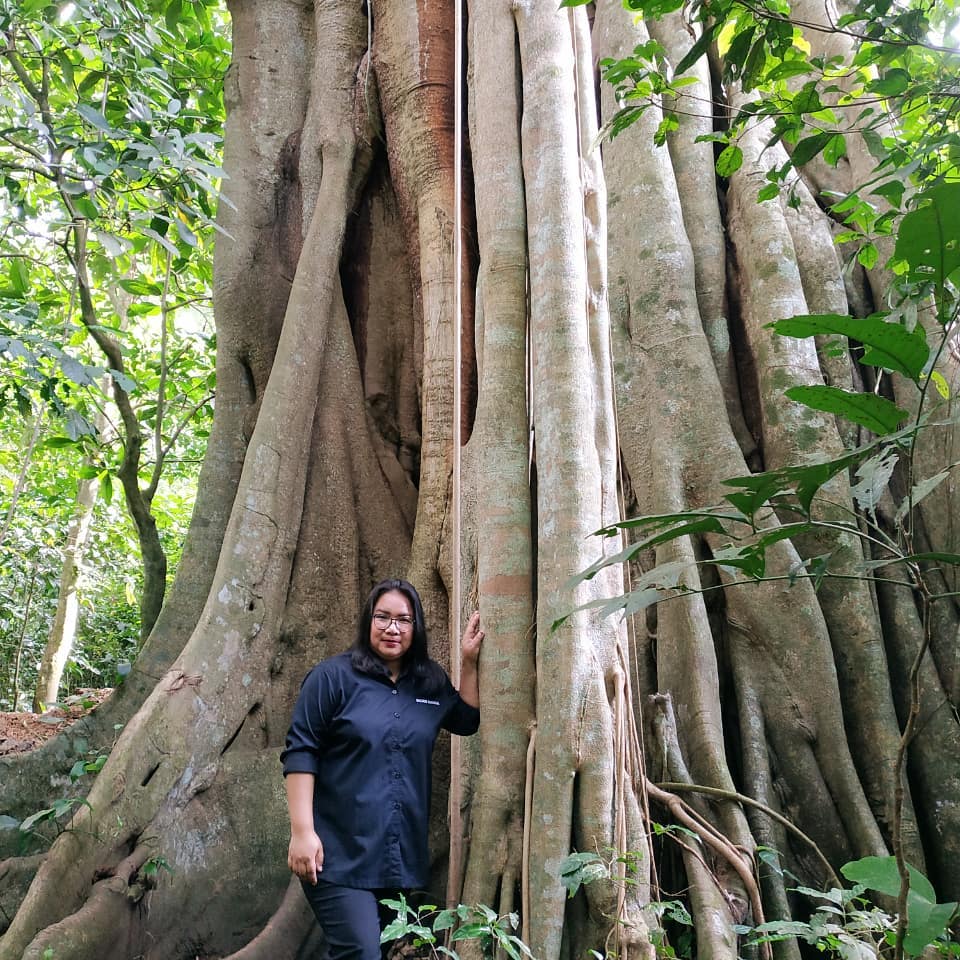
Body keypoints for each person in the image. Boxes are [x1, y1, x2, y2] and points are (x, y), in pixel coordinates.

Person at [281, 578, 483, 960]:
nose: (393, 628)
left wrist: (469, 662)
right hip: (337, 855)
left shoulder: (429, 681)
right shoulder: (331, 679)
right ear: (368, 622)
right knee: (360, 951)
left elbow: (466, 720)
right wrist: (302, 832)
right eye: (383, 617)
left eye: (403, 620)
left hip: (398, 856)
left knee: (361, 950)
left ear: (416, 627)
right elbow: (300, 753)